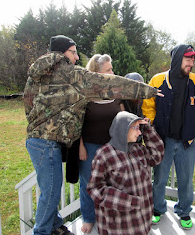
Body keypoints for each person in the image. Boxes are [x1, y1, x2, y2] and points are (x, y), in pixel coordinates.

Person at [23, 35, 163, 235]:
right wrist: (147, 90)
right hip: (46, 142)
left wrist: (40, 123)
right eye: (73, 52)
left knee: (51, 189)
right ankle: (42, 231)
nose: (77, 57)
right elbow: (111, 83)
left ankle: (54, 226)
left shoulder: (37, 74)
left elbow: (28, 104)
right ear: (62, 53)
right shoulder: (72, 75)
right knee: (51, 192)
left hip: (37, 139)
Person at [142, 44, 195, 230]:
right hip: (163, 140)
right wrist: (154, 129)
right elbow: (148, 105)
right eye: (188, 58)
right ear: (178, 59)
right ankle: (157, 209)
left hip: (186, 141)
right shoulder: (157, 80)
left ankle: (184, 211)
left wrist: (193, 127)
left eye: (193, 59)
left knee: (186, 179)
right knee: (160, 177)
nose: (191, 62)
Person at [87, 111, 164, 235]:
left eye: (139, 129)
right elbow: (95, 189)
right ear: (123, 128)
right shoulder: (104, 154)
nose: (139, 133)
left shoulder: (139, 150)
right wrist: (128, 201)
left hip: (142, 222)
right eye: (136, 128)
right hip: (119, 226)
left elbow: (157, 155)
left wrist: (147, 128)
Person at [78, 54, 122, 234]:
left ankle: (107, 215)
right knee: (88, 182)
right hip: (89, 146)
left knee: (111, 182)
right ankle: (88, 217)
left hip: (111, 146)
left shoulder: (115, 91)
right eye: (108, 70)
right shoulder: (84, 94)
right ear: (97, 73)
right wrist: (80, 146)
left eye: (112, 68)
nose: (113, 72)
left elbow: (122, 116)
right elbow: (76, 123)